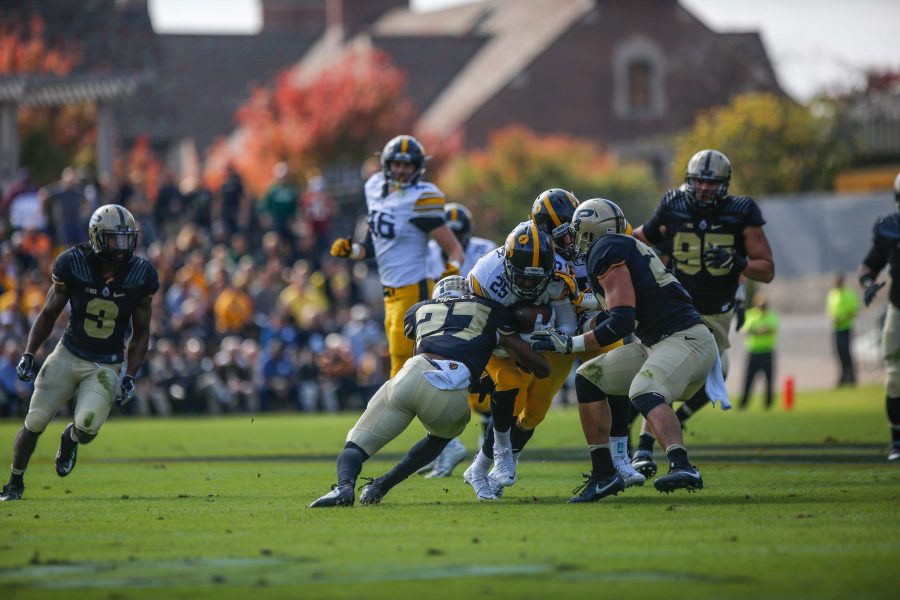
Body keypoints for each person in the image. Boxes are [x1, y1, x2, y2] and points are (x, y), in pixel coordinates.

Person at [531, 198, 720, 501]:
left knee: (644, 390)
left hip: (683, 339)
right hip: (657, 342)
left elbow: (621, 321)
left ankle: (682, 465)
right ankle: (604, 474)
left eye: (578, 231)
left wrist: (570, 344)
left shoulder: (606, 251)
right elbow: (622, 308)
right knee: (589, 377)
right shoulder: (623, 246)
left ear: (589, 232)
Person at [308, 276, 549, 507]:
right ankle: (381, 486)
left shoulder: (419, 309)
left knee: (355, 446)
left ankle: (344, 487)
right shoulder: (490, 309)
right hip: (452, 392)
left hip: (411, 375)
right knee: (439, 439)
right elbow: (538, 368)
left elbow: (434, 348)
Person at [630, 149, 774, 477]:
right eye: (699, 181)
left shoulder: (741, 211)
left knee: (718, 371)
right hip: (677, 309)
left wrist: (738, 262)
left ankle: (662, 431)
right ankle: (644, 450)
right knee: (662, 374)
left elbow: (767, 270)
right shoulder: (672, 205)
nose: (705, 189)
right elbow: (639, 240)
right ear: (688, 180)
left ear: (724, 184)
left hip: (717, 314)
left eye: (712, 183)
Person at [0, 204, 158, 501]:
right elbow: (48, 314)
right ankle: (14, 483)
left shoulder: (140, 274)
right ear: (97, 237)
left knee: (87, 427)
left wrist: (130, 376)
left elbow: (141, 333)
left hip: (106, 365)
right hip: (68, 354)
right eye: (115, 239)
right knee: (34, 420)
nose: (122, 247)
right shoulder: (73, 263)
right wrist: (29, 353)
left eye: (127, 239)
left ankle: (70, 438)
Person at [330, 134, 465, 378]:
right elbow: (375, 246)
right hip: (389, 293)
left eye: (407, 165)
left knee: (405, 366)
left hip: (414, 289)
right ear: (387, 164)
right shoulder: (374, 189)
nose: (401, 170)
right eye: (397, 164)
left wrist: (451, 272)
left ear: (418, 167)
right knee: (397, 362)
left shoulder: (421, 197)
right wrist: (353, 251)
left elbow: (454, 249)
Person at [461, 222, 578, 499]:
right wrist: (518, 340)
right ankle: (502, 456)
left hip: (535, 342)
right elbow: (481, 328)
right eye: (522, 277)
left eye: (535, 279)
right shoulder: (486, 277)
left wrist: (546, 338)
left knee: (535, 410)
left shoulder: (558, 276)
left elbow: (568, 326)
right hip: (495, 338)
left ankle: (479, 470)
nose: (528, 285)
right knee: (509, 384)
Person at [420, 202, 497, 478]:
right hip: (440, 326)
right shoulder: (427, 253)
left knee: (483, 388)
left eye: (460, 233)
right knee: (430, 386)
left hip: (474, 324)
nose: (454, 240)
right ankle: (445, 448)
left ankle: (486, 451)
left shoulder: (483, 250)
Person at [857, 171, 900, 462]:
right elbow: (868, 267)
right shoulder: (890, 228)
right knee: (895, 377)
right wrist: (868, 284)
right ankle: (897, 440)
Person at [739, 293, 778, 409]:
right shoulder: (750, 314)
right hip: (753, 352)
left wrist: (755, 330)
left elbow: (770, 329)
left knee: (769, 379)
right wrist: (760, 329)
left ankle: (768, 403)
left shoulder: (771, 316)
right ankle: (744, 403)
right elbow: (745, 330)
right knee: (748, 379)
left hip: (767, 351)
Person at [826, 273, 859, 387]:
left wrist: (841, 319)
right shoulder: (832, 294)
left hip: (846, 328)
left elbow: (853, 312)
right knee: (839, 353)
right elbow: (830, 310)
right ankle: (843, 375)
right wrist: (832, 317)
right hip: (836, 328)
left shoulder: (849, 294)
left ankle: (851, 376)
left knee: (846, 353)